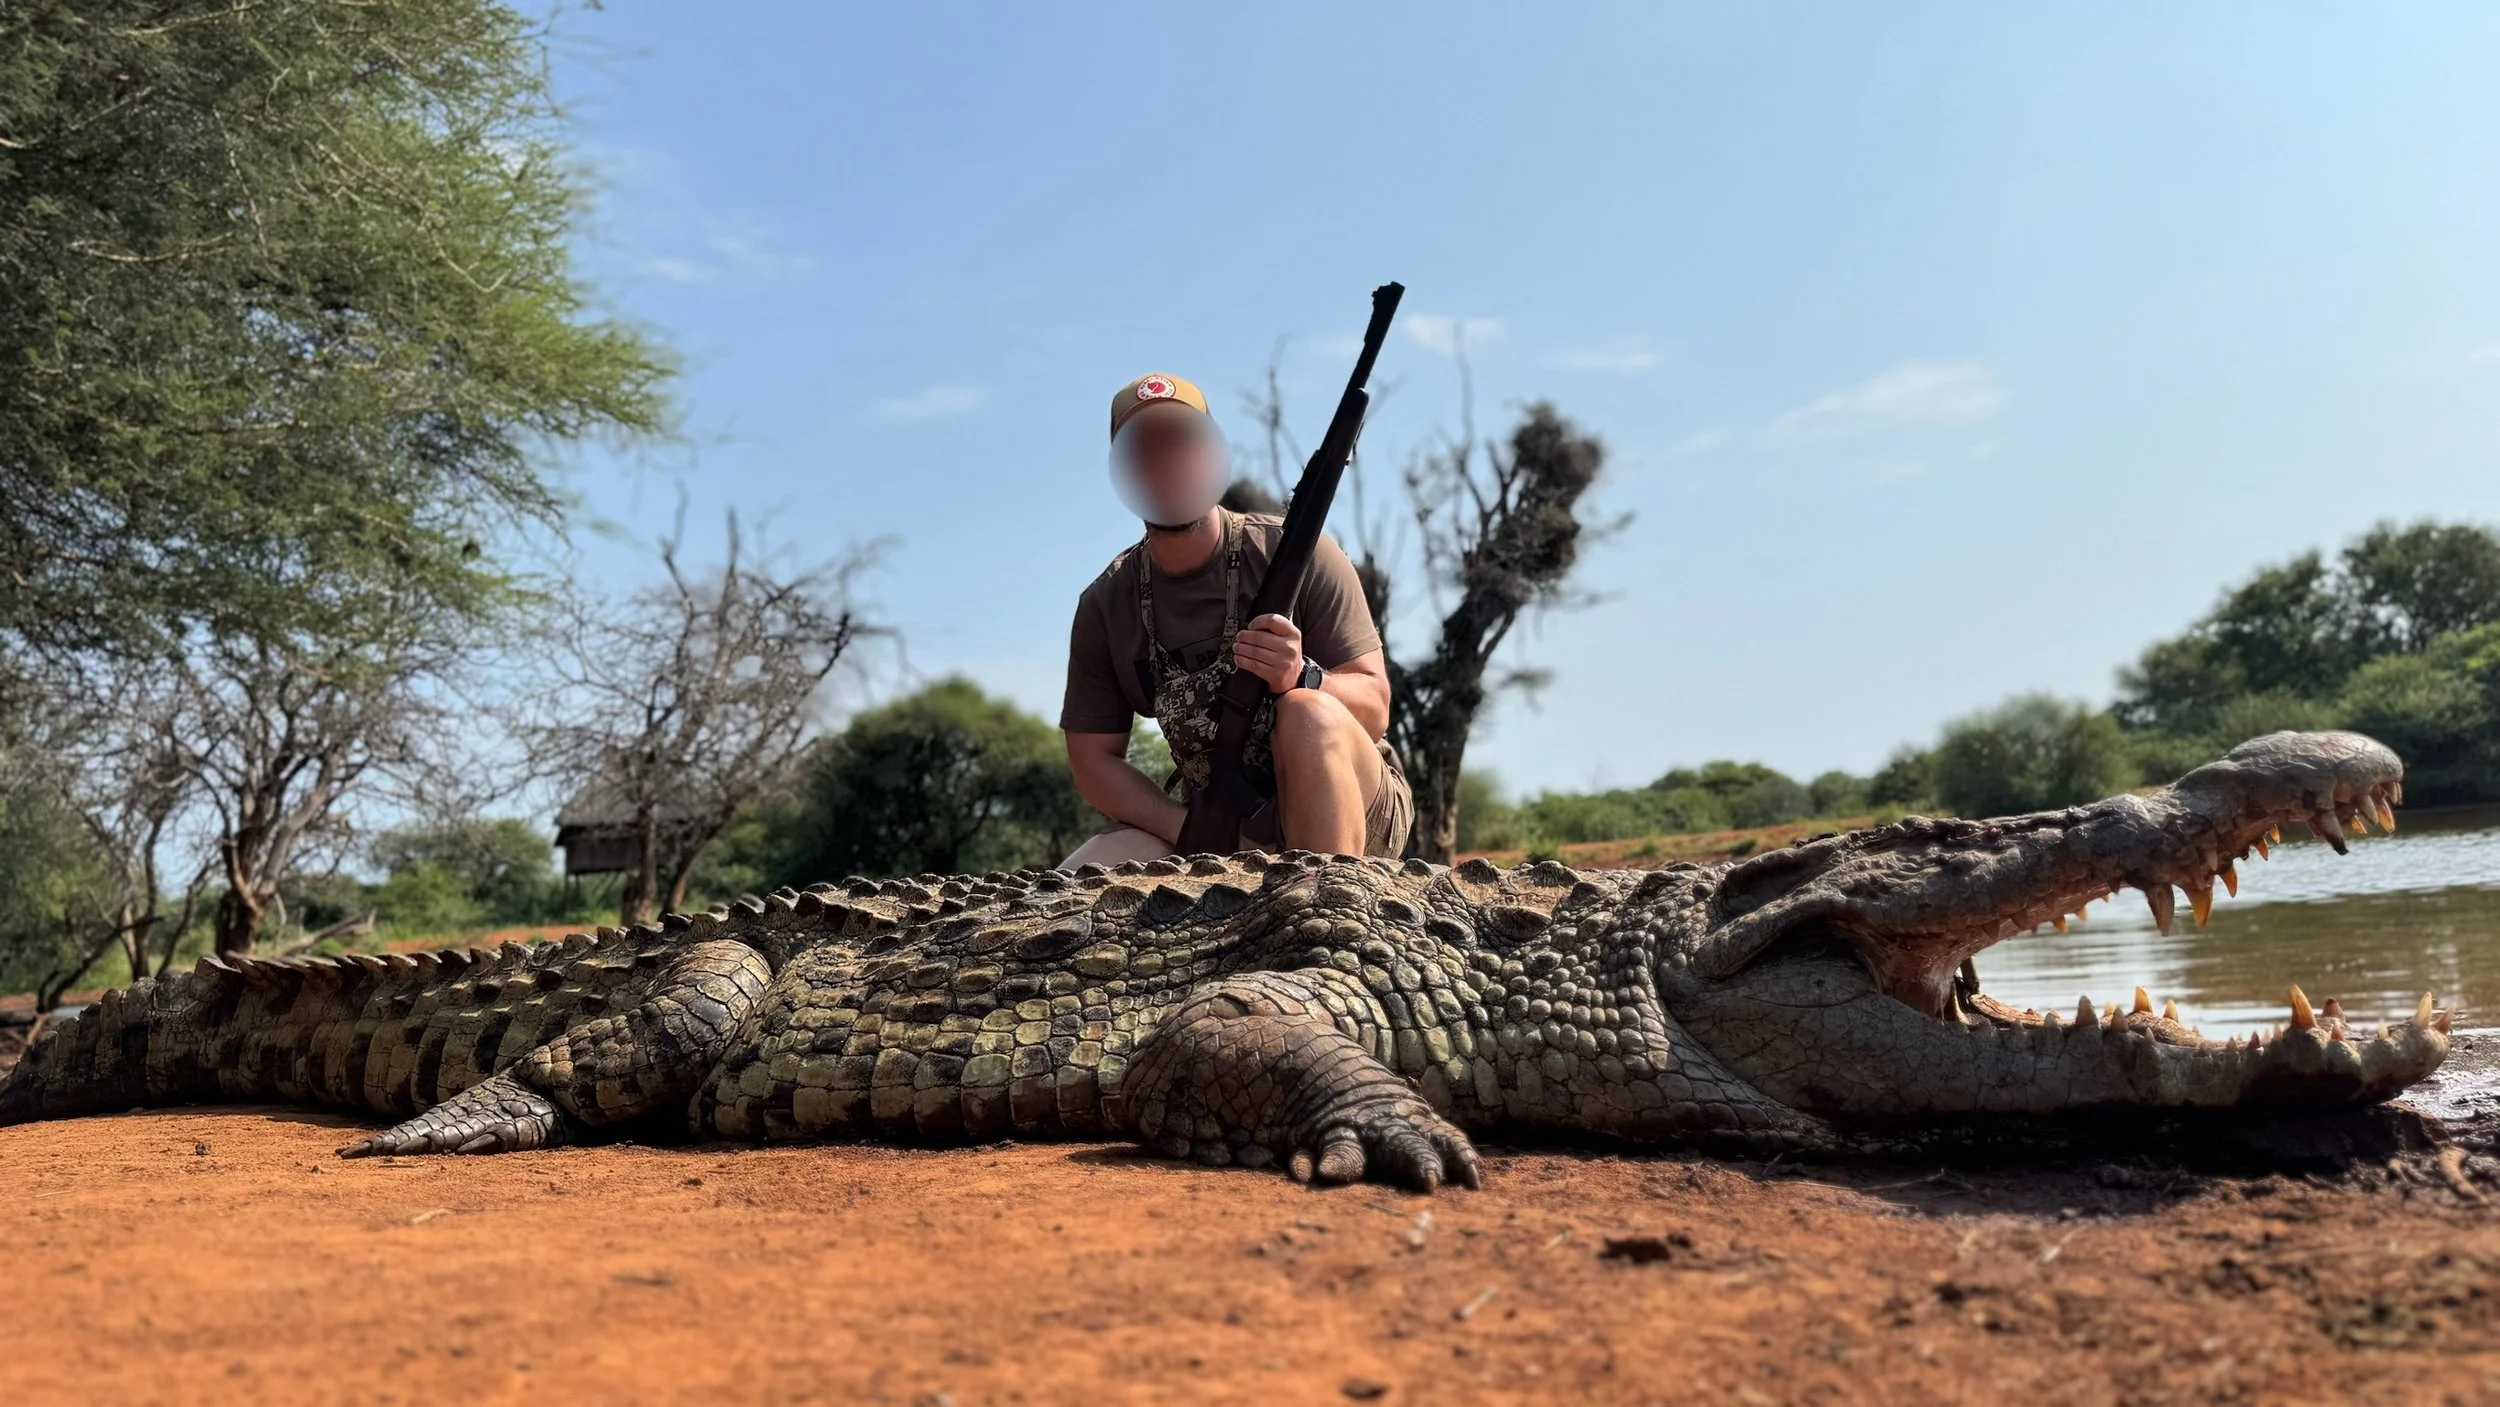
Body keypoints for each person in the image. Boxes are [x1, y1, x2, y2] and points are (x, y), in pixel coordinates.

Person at [1059, 371, 1412, 865]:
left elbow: (1374, 708)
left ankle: (1327, 914)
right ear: (1126, 471)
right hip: (1219, 821)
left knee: (1307, 713)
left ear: (1209, 452)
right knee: (1092, 865)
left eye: (1181, 440)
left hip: (1358, 801)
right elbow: (1092, 762)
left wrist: (1303, 676)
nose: (1166, 460)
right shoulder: (1105, 604)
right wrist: (1192, 830)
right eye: (1144, 448)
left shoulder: (1299, 554)